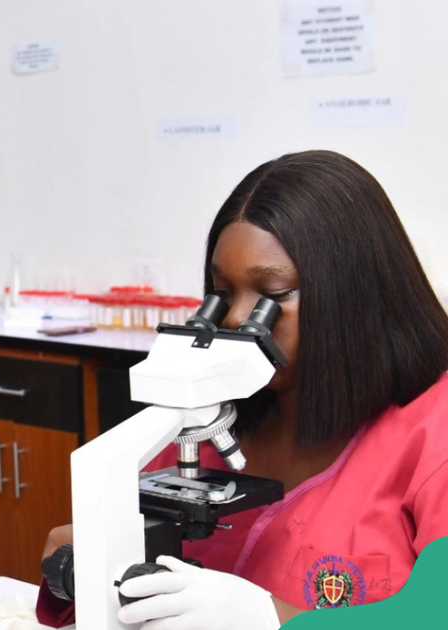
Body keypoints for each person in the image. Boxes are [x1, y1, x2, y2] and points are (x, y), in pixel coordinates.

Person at [37, 150, 448, 629]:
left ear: (353, 295)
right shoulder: (210, 419)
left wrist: (271, 621)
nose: (234, 320)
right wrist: (85, 572)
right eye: (223, 295)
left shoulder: (432, 429)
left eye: (271, 297)